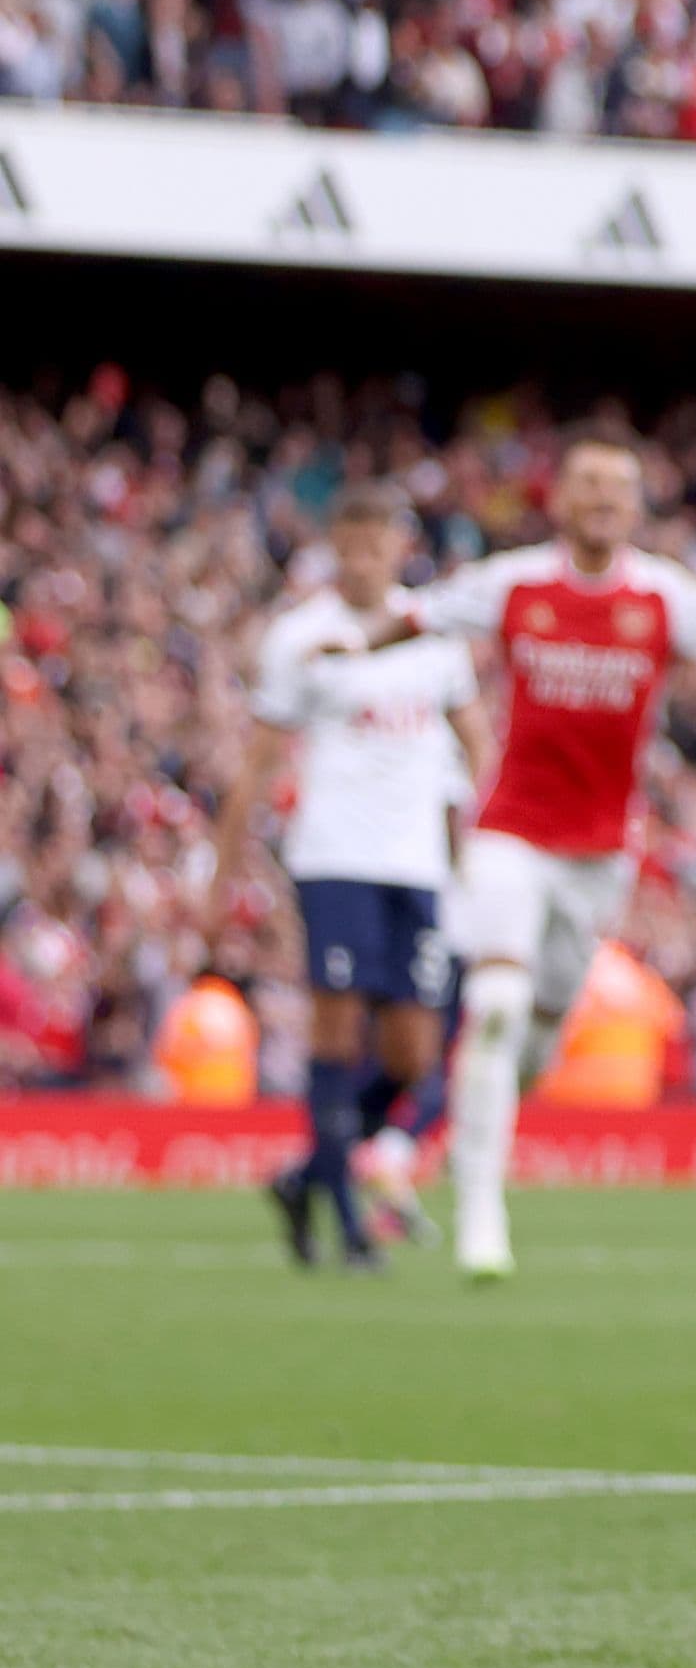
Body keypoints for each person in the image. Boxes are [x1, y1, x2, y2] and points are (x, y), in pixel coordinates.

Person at [327, 437, 696, 1280]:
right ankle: (483, 1214)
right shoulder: (515, 582)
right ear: (558, 499)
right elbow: (415, 615)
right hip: (510, 831)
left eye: (617, 488)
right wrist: (337, 652)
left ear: (636, 506)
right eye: (587, 483)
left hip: (598, 854)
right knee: (492, 999)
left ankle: (473, 1133)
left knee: (538, 1031)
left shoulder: (663, 595)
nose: (601, 499)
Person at [213, 482, 486, 1270]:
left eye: (378, 543)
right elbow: (260, 761)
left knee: (411, 1054)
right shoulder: (302, 637)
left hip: (417, 866)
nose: (364, 557)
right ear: (335, 547)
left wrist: (491, 843)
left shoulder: (435, 637)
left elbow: (477, 739)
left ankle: (308, 1175)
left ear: (401, 547)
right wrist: (220, 878)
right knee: (335, 1031)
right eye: (352, 543)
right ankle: (345, 1220)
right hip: (334, 857)